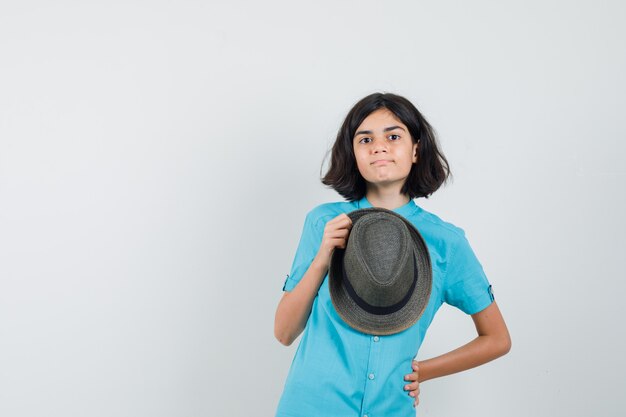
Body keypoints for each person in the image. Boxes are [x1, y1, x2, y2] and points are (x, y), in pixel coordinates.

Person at [273, 92, 511, 417]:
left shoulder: (446, 242)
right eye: (365, 139)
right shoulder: (323, 222)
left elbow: (497, 338)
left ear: (416, 149)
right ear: (353, 153)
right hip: (312, 406)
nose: (379, 146)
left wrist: (424, 370)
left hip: (391, 408)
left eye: (393, 136)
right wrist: (322, 258)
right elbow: (284, 333)